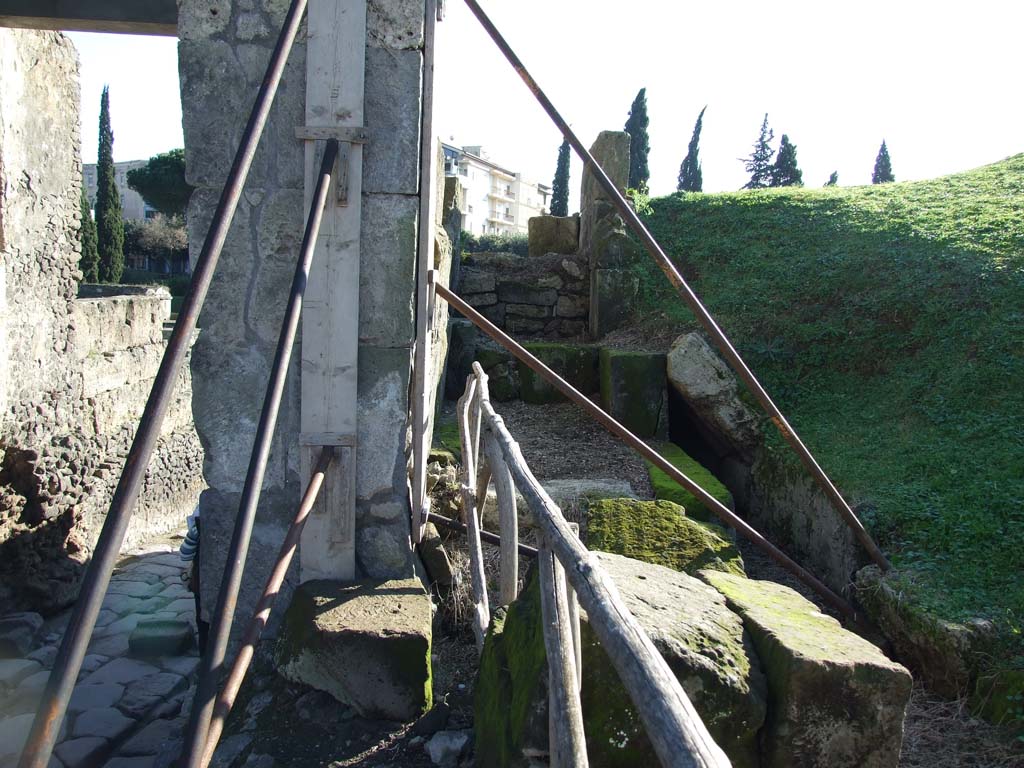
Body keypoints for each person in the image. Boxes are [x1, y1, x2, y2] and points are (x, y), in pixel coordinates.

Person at [180, 507, 209, 653]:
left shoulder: (198, 522)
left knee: (203, 621)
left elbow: (184, 555)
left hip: (202, 582)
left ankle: (204, 658)